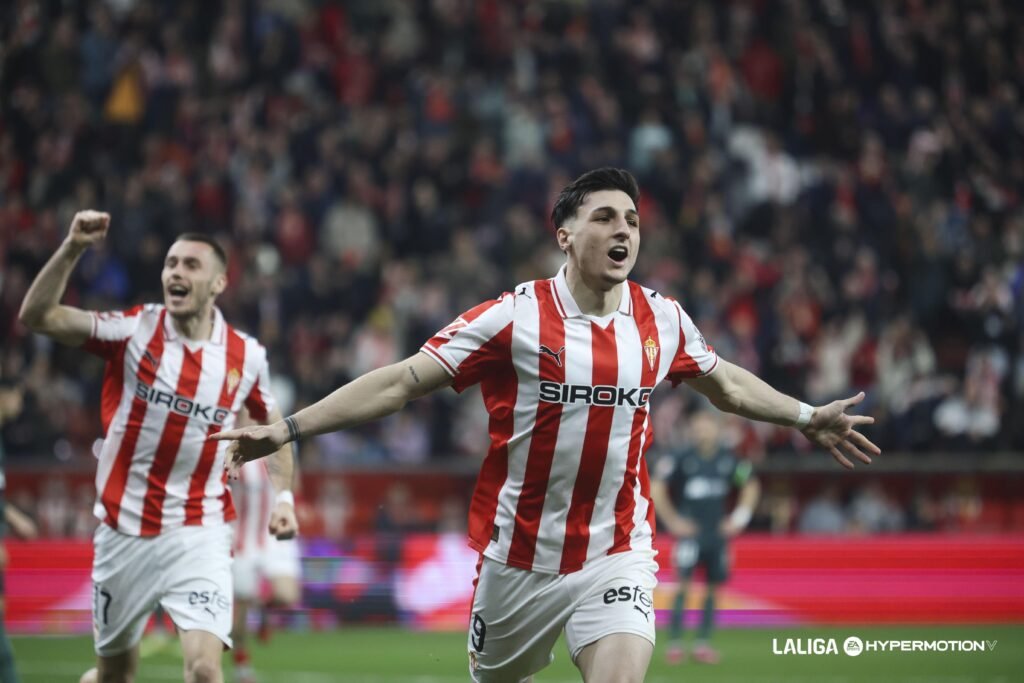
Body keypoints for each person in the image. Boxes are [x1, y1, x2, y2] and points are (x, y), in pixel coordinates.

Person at [214, 168, 879, 683]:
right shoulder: (514, 317)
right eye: (604, 217)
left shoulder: (663, 319)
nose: (624, 231)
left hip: (617, 548)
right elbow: (401, 381)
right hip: (519, 559)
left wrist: (805, 416)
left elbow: (727, 384)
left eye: (632, 220)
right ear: (564, 233)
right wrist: (290, 428)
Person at [17, 211, 298, 683]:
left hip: (200, 529)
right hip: (123, 531)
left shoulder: (246, 356)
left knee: (205, 670)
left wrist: (284, 497)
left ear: (218, 283)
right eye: (171, 263)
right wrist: (72, 247)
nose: (175, 273)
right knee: (114, 676)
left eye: (191, 265)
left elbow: (276, 429)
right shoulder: (133, 331)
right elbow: (37, 316)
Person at [650, 411, 760, 665]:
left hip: (717, 535)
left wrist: (739, 518)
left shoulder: (729, 459)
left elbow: (751, 485)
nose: (702, 432)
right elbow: (657, 485)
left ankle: (703, 643)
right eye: (697, 427)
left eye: (706, 427)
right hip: (690, 535)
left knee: (712, 588)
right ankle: (675, 643)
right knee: (682, 586)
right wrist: (673, 521)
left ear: (717, 430)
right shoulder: (681, 458)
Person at [229, 409, 301, 683]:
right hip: (241, 539)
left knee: (287, 595)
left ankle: (263, 609)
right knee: (240, 606)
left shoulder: (277, 443)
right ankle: (242, 666)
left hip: (272, 535)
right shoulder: (230, 447)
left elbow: (294, 483)